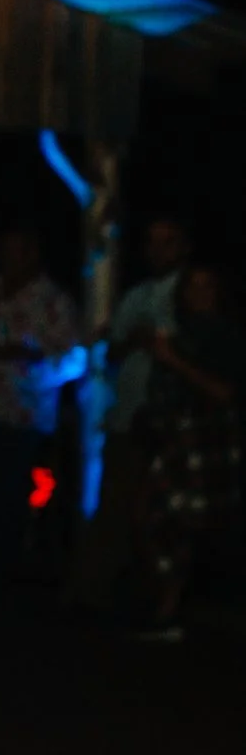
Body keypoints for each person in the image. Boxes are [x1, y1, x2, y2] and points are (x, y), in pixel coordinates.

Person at [70, 217, 191, 614]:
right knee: (115, 507)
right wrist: (124, 343)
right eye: (153, 242)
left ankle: (159, 598)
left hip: (173, 422)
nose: (159, 250)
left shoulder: (191, 294)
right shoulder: (136, 296)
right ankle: (94, 594)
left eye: (168, 241)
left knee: (160, 515)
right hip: (127, 418)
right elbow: (116, 350)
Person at [0, 227, 84, 585]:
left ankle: (5, 574)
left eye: (15, 251)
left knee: (11, 498)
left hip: (24, 416)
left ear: (32, 255)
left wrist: (35, 359)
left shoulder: (54, 300)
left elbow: (76, 359)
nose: (7, 259)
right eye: (4, 251)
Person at [134, 264, 241, 640]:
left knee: (184, 523)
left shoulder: (225, 337)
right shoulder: (183, 332)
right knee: (158, 518)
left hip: (207, 435)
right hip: (176, 435)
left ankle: (172, 611)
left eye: (207, 284)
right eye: (192, 286)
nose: (199, 293)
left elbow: (224, 392)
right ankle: (169, 609)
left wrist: (173, 360)